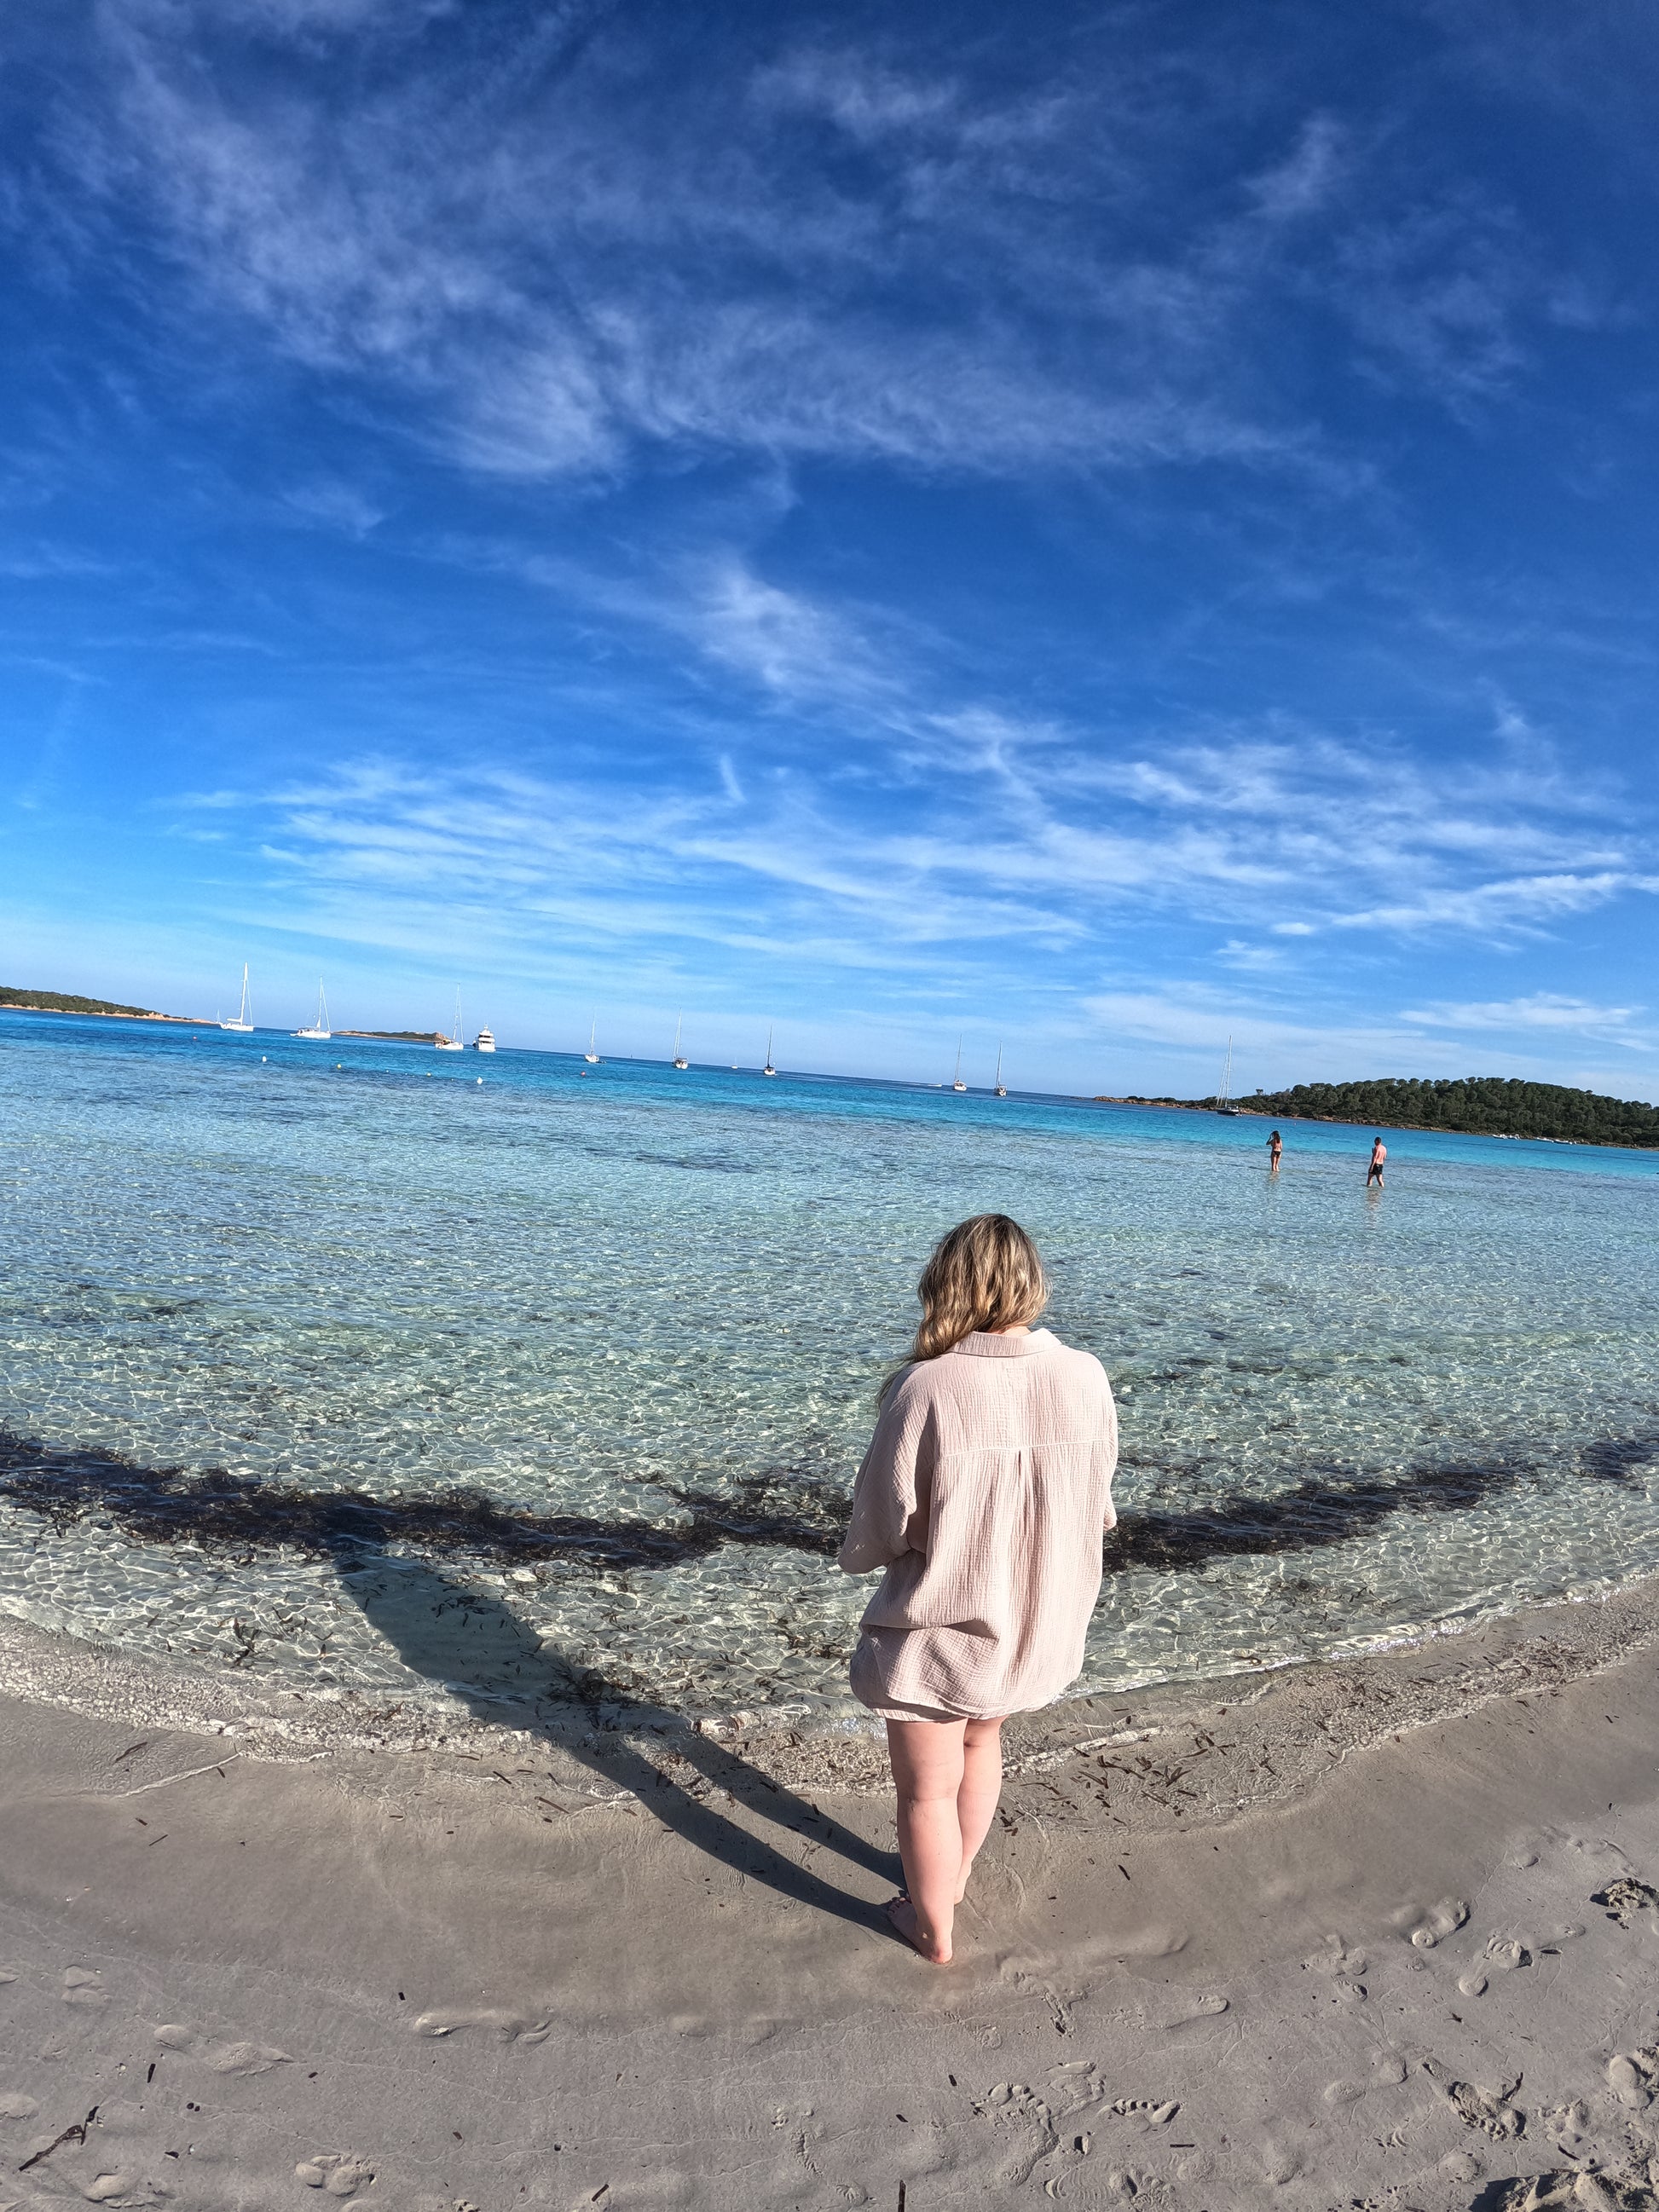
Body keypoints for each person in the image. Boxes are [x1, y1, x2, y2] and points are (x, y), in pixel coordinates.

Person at [838, 1214, 1119, 1963]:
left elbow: (878, 1530)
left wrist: (868, 1550)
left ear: (947, 1284)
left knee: (925, 1790)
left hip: (944, 1628)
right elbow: (1099, 1502)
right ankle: (953, 1880)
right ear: (1031, 1281)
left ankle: (931, 1927)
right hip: (1031, 1621)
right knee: (984, 1736)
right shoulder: (1086, 1374)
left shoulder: (927, 1385)